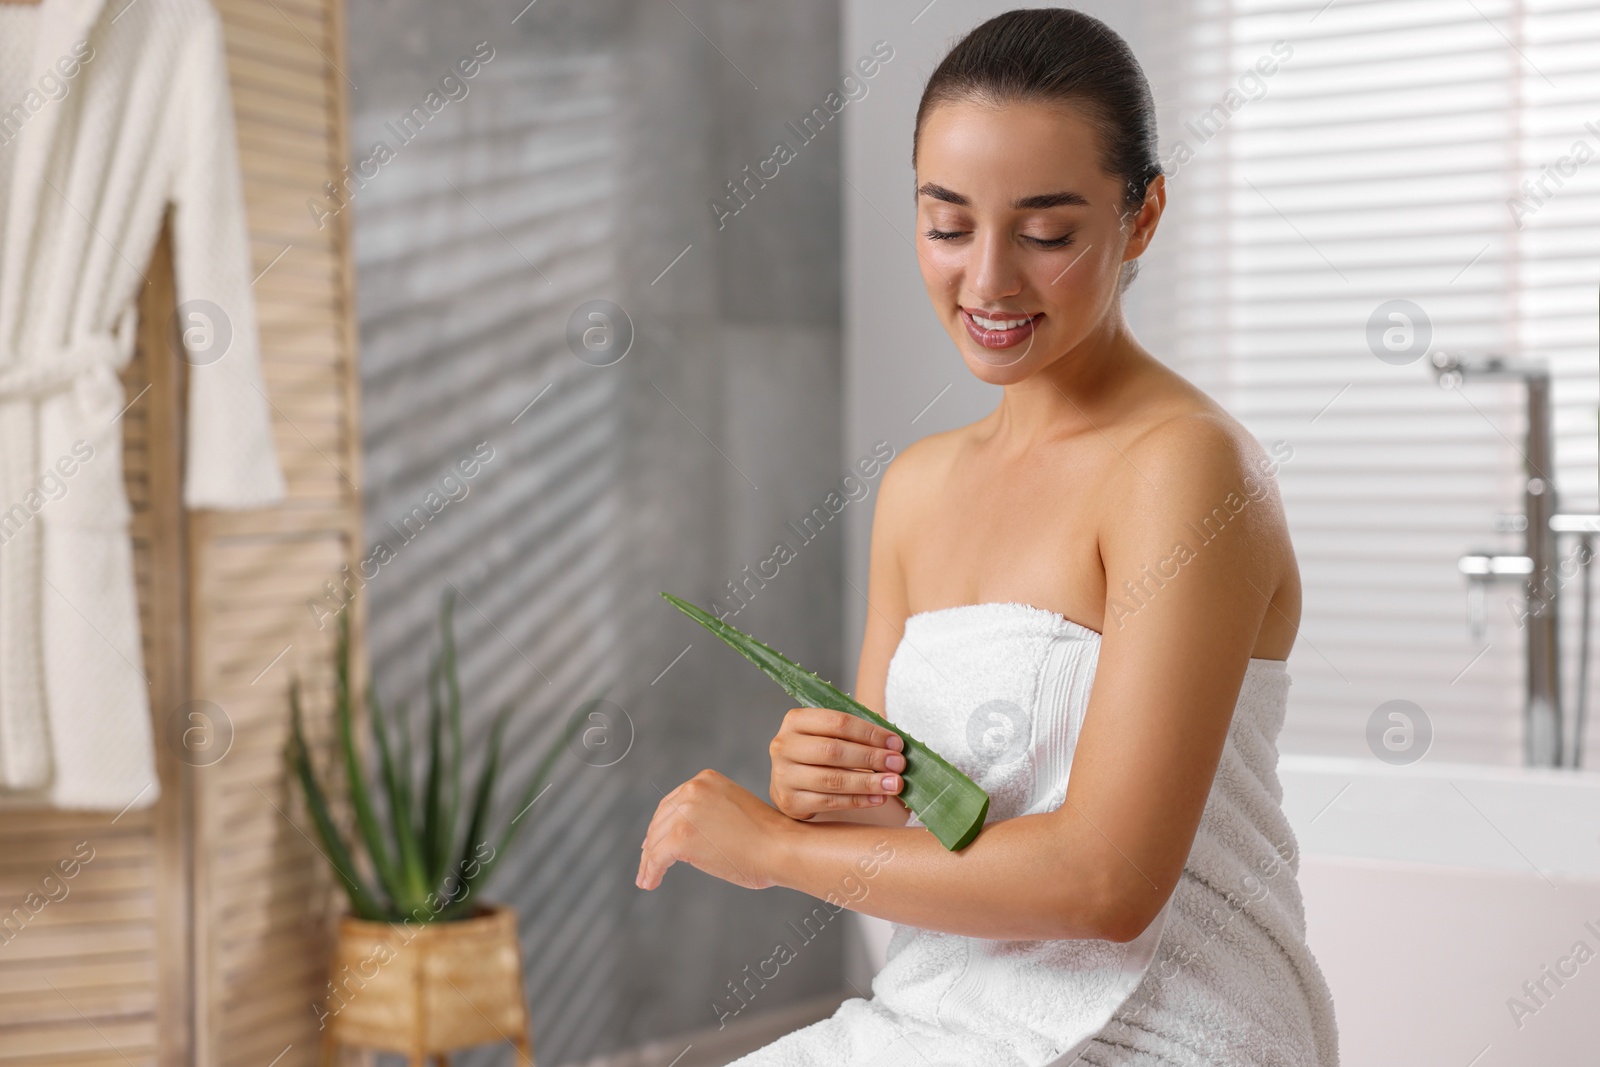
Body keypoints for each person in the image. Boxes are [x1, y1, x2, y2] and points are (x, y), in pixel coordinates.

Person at [636, 8, 1339, 1065]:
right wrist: (817, 792)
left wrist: (776, 849)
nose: (988, 281)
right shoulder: (918, 489)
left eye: (1046, 233)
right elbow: (903, 834)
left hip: (1165, 1024)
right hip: (949, 1010)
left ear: (1141, 216)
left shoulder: (1185, 470)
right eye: (948, 225)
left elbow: (1105, 884)